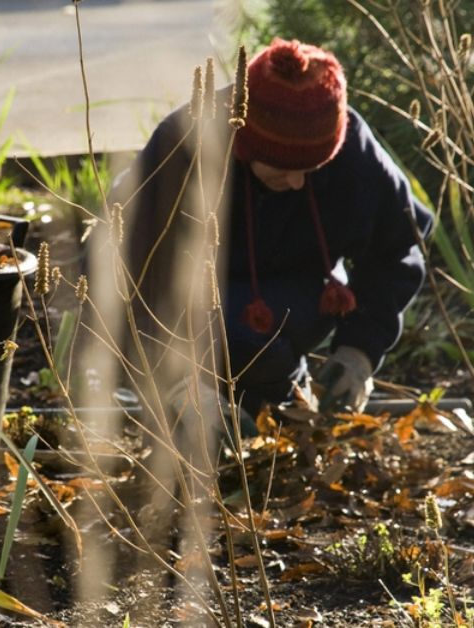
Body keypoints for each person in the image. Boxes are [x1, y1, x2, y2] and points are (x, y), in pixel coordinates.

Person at [115, 38, 432, 435]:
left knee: (262, 356)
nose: (299, 182)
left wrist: (360, 350)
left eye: (312, 168)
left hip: (296, 297)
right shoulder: (186, 146)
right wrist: (174, 381)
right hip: (191, 308)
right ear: (244, 144)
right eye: (281, 168)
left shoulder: (352, 149)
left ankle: (276, 387)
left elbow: (399, 246)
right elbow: (118, 266)